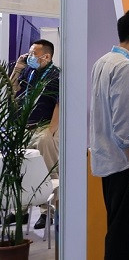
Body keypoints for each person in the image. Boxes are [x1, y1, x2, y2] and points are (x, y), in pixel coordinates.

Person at [90, 9, 129, 260]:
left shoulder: (103, 62)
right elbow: (124, 120)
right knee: (126, 237)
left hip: (108, 161)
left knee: (117, 231)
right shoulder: (126, 67)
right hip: (125, 165)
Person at [7, 39, 60, 229]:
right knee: (22, 169)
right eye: (29, 53)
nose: (29, 56)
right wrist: (17, 69)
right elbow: (11, 90)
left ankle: (47, 212)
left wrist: (51, 131)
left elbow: (59, 103)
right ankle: (20, 211)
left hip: (43, 128)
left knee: (47, 171)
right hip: (24, 127)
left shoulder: (56, 75)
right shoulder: (28, 71)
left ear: (46, 56)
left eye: (33, 54)